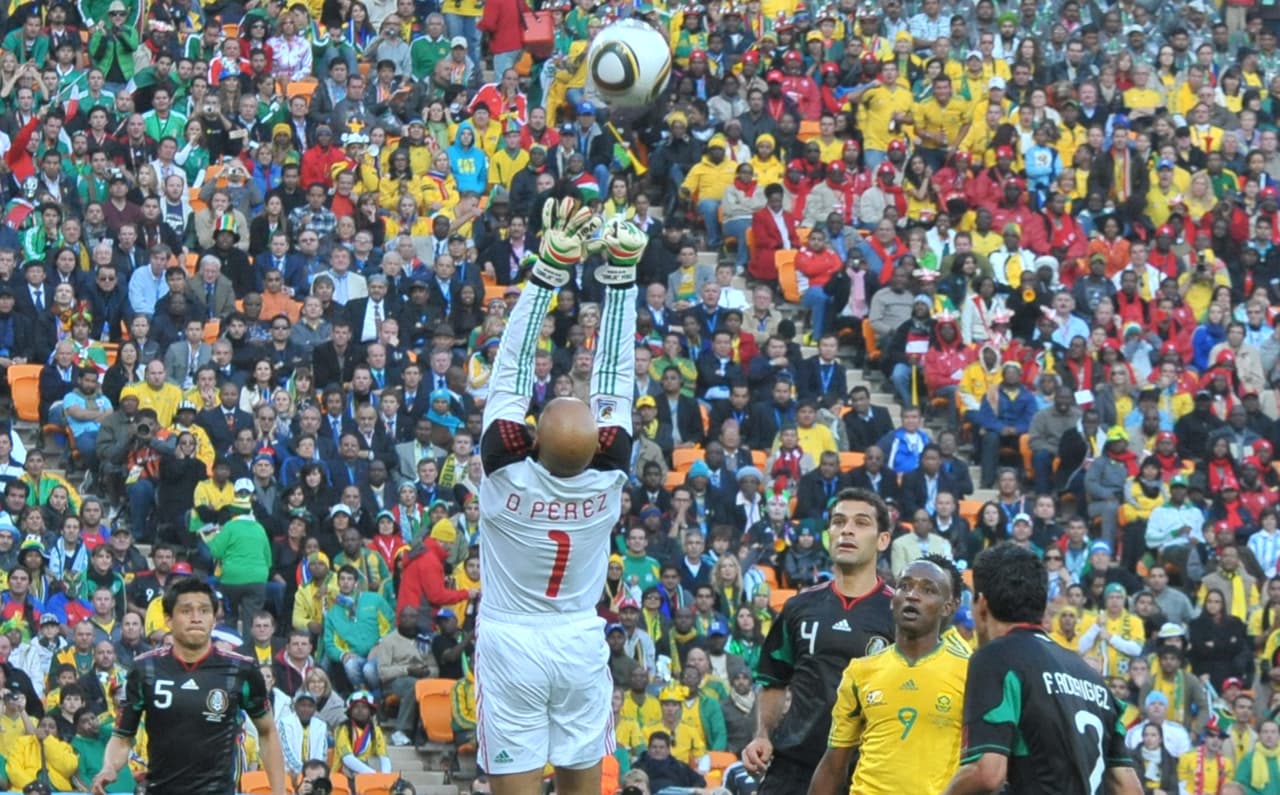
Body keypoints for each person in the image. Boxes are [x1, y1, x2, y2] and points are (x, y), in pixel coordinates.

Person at [473, 200, 647, 795]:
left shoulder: (506, 470)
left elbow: (511, 367)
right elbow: (615, 379)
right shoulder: (608, 475)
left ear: (533, 437)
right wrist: (621, 277)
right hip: (578, 637)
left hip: (511, 640)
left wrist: (547, 269)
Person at [942, 543, 1142, 794]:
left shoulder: (995, 658)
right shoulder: (1091, 676)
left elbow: (986, 773)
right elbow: (1130, 788)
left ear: (981, 605)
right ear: (1042, 605)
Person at [742, 488, 895, 795]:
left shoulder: (898, 612)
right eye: (838, 522)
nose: (847, 530)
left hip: (864, 772)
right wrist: (763, 735)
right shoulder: (799, 606)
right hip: (793, 767)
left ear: (882, 540)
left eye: (861, 522)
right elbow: (774, 680)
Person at [90, 577, 286, 795]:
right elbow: (122, 736)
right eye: (186, 611)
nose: (196, 618)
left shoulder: (241, 669)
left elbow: (267, 732)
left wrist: (278, 791)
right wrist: (109, 767)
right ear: (169, 619)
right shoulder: (145, 669)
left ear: (214, 619)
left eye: (204, 611)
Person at [809, 556, 969, 794]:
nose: (912, 595)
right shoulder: (861, 671)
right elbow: (834, 765)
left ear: (947, 607)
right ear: (893, 600)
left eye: (928, 590)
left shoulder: (968, 672)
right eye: (904, 586)